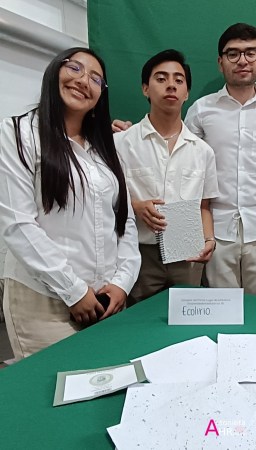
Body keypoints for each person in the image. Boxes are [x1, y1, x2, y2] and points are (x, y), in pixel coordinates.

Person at [0, 47, 141, 359]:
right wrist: (74, 290)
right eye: (75, 68)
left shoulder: (106, 148)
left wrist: (122, 282)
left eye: (95, 78)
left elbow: (124, 220)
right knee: (53, 384)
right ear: (54, 71)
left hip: (105, 299)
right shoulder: (18, 133)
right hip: (44, 300)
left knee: (106, 378)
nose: (83, 80)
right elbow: (17, 224)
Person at [184, 23, 256, 297]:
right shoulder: (201, 110)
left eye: (250, 53)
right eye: (233, 54)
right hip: (215, 227)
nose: (242, 60)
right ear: (221, 62)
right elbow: (183, 164)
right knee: (220, 307)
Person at [114, 50, 219, 303]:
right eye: (161, 79)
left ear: (186, 93)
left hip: (186, 251)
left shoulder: (202, 151)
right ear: (145, 89)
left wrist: (209, 239)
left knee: (188, 318)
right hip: (139, 251)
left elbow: (204, 206)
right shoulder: (122, 143)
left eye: (178, 80)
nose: (171, 85)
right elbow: (106, 199)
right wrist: (135, 206)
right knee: (140, 319)